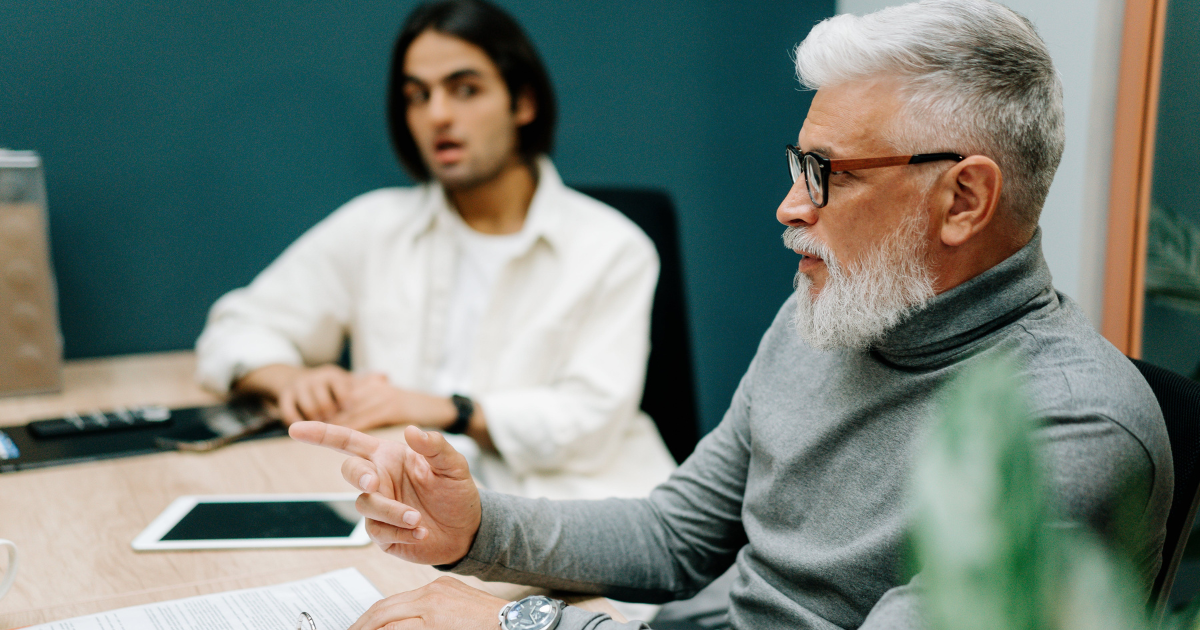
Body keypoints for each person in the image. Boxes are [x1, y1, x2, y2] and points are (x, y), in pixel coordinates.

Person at [289, 1, 1173, 629]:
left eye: (828, 173)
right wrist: (475, 527)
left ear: (963, 199)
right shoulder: (824, 316)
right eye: (798, 166)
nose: (790, 207)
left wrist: (517, 625)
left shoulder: (1072, 428)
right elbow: (677, 534)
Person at [194, 0, 676, 501]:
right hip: (403, 513)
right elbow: (234, 329)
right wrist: (292, 379)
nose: (438, 115)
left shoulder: (613, 246)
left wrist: (446, 409)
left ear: (523, 102)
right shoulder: (375, 225)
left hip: (574, 513)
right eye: (417, 96)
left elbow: (589, 424)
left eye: (464, 89)